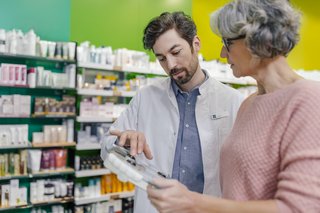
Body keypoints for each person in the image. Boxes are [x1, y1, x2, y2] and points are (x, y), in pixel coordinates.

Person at [146, 0, 320, 212]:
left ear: (256, 40)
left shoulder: (309, 100)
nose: (222, 52)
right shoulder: (248, 105)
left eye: (227, 42)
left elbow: (298, 208)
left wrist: (192, 202)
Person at [100, 11, 243, 213]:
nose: (171, 65)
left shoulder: (232, 101)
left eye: (176, 52)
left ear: (196, 44)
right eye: (161, 58)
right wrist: (120, 142)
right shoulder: (145, 97)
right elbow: (106, 150)